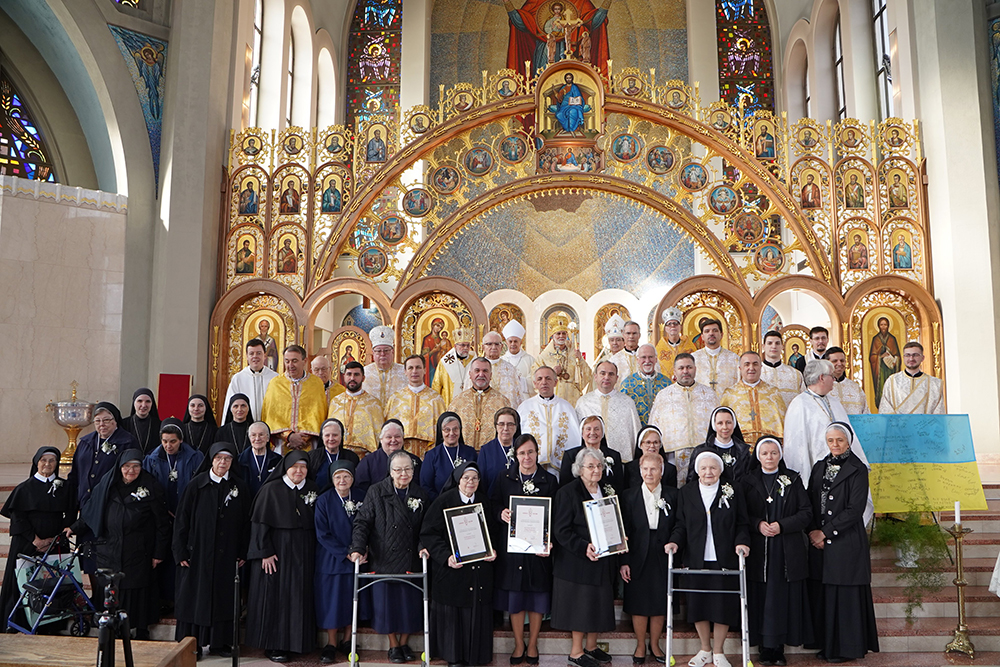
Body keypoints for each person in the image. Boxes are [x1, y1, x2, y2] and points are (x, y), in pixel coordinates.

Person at [68, 449, 170, 639]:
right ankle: (111, 628)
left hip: (138, 549)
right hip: (110, 549)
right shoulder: (108, 484)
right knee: (112, 588)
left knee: (137, 589)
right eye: (127, 466)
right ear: (120, 467)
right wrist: (74, 528)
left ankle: (140, 629)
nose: (131, 470)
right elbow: (92, 510)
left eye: (136, 466)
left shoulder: (151, 486)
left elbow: (162, 524)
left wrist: (158, 552)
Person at [666, 451, 751, 667]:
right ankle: (705, 649)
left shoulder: (733, 490)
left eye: (713, 468)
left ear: (720, 470)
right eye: (703, 468)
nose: (708, 472)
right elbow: (681, 524)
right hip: (696, 557)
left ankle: (719, 652)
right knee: (699, 604)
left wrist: (742, 542)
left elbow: (742, 522)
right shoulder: (686, 492)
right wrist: (674, 542)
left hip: (724, 557)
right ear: (697, 471)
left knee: (722, 604)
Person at [807, 423, 879, 663]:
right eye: (830, 440)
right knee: (826, 595)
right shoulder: (819, 467)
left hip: (846, 540)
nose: (835, 445)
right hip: (820, 541)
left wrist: (825, 533)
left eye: (839, 440)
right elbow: (808, 502)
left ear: (848, 441)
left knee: (845, 597)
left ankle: (846, 648)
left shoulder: (858, 469)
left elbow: (854, 509)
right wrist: (812, 531)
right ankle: (827, 645)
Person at [350, 450, 430, 664]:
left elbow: (427, 527)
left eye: (408, 469)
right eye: (398, 469)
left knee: (409, 603)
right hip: (383, 556)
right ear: (390, 471)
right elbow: (362, 522)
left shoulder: (421, 494)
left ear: (413, 471)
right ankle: (393, 644)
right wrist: (357, 547)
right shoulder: (377, 491)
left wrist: (423, 546)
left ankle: (404, 642)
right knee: (387, 604)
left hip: (410, 556)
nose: (403, 473)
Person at [739, 438, 814, 666]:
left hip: (785, 551)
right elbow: (741, 515)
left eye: (773, 453)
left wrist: (782, 525)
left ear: (779, 455)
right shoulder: (747, 481)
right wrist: (758, 524)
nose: (769, 457)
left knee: (781, 599)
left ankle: (778, 648)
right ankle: (763, 647)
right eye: (765, 453)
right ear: (758, 456)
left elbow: (806, 513)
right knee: (762, 598)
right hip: (759, 551)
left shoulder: (792, 479)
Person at [173, 442, 251, 658]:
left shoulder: (239, 487)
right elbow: (182, 520)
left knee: (223, 599)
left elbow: (246, 523)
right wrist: (180, 552)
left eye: (227, 459)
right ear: (211, 460)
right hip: (196, 554)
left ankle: (220, 643)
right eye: (219, 458)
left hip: (227, 554)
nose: (223, 463)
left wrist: (242, 551)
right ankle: (192, 645)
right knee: (195, 599)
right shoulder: (196, 485)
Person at [245, 451, 319, 662]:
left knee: (299, 596)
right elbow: (259, 524)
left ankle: (298, 642)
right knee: (275, 597)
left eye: (303, 467)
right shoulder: (271, 490)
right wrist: (264, 552)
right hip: (275, 552)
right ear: (285, 467)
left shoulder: (312, 488)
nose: (299, 471)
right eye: (294, 466)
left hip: (303, 552)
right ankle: (274, 645)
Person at [421, 462, 496, 666]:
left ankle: (476, 655)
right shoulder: (444, 501)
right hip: (453, 570)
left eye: (475, 478)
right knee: (454, 613)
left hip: (479, 568)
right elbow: (428, 533)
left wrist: (492, 550)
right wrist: (446, 556)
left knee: (475, 611)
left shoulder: (484, 501)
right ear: (458, 480)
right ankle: (453, 657)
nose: (470, 482)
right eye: (466, 478)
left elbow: (492, 532)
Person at [491, 434, 557, 664]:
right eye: (521, 453)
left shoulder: (549, 480)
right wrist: (501, 513)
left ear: (537, 453)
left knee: (536, 597)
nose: (526, 457)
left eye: (530, 452)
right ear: (515, 455)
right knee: (516, 599)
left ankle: (533, 644)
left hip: (538, 550)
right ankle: (519, 644)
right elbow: (492, 504)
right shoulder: (504, 478)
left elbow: (555, 515)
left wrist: (550, 542)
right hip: (513, 549)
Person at [783, 360, 873, 527]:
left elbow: (849, 436)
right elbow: (795, 448)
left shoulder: (835, 402)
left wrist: (859, 464)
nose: (834, 380)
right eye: (832, 376)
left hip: (844, 474)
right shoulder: (799, 404)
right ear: (822, 378)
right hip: (818, 477)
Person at [552, 447, 617, 667]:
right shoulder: (567, 492)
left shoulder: (607, 491)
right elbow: (561, 530)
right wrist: (583, 547)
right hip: (576, 561)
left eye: (599, 466)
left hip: (602, 559)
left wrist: (619, 538)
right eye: (590, 466)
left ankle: (591, 646)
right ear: (579, 470)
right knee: (580, 607)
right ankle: (576, 651)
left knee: (597, 604)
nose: (596, 470)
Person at [0, 447, 75, 630]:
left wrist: (54, 539)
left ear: (57, 464)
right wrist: (36, 540)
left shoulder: (65, 488)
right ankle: (18, 621)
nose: (47, 464)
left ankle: (52, 621)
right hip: (27, 542)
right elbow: (18, 517)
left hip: (56, 543)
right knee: (23, 583)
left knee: (53, 582)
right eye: (43, 460)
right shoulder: (24, 488)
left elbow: (71, 514)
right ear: (36, 463)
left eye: (52, 461)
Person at [620, 452, 679, 664]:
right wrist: (624, 561)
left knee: (659, 601)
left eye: (654, 469)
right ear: (640, 471)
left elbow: (679, 525)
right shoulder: (628, 496)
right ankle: (639, 645)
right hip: (637, 554)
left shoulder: (673, 495)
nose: (649, 473)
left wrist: (674, 541)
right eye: (645, 469)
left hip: (663, 553)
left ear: (662, 472)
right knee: (638, 602)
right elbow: (623, 529)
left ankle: (655, 644)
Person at [315, 460, 367, 664]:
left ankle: (348, 640)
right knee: (332, 602)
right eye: (338, 477)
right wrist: (346, 553)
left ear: (353, 478)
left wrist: (363, 549)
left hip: (357, 558)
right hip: (332, 559)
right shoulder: (324, 500)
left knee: (351, 600)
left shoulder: (362, 497)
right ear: (332, 479)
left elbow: (369, 524)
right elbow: (322, 533)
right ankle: (331, 643)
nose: (342, 480)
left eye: (346, 476)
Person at [649, 353, 717, 486]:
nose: (685, 371)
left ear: (695, 369)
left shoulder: (709, 394)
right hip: (673, 454)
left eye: (689, 367)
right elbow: (654, 426)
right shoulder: (663, 395)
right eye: (681, 368)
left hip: (703, 451)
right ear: (675, 371)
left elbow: (717, 424)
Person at [69, 402, 141, 511]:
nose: (101, 424)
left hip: (112, 504)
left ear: (115, 421)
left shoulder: (128, 442)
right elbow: (75, 473)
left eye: (106, 420)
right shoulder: (85, 442)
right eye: (97, 421)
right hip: (86, 502)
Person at [262, 345, 329, 452]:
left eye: (294, 361)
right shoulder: (275, 384)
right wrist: (289, 436)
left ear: (304, 361)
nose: (290, 365)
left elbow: (319, 414)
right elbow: (270, 416)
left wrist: (303, 438)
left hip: (310, 443)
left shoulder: (316, 384)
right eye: (287, 361)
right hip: (282, 443)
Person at [518, 366, 582, 475]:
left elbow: (575, 438)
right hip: (532, 467)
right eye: (540, 379)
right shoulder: (525, 407)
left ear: (555, 382)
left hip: (559, 469)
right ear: (535, 383)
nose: (544, 382)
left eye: (548, 378)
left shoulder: (566, 407)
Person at [576, 361, 642, 463]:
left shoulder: (627, 403)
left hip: (621, 461)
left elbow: (635, 433)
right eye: (602, 373)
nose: (606, 377)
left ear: (616, 378)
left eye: (611, 374)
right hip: (588, 462)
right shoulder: (583, 402)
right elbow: (577, 434)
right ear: (595, 377)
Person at [385, 355, 447, 457]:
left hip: (428, 452)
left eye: (418, 367)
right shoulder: (395, 399)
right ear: (405, 371)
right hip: (401, 451)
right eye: (410, 368)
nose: (414, 371)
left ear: (425, 370)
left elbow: (442, 430)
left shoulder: (436, 399)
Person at [720, 351, 787, 444]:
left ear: (761, 367)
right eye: (747, 364)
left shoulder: (773, 393)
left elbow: (783, 426)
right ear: (740, 368)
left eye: (755, 364)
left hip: (768, 449)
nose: (751, 368)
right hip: (739, 447)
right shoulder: (729, 394)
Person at [143, 419, 204, 516]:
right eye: (165, 441)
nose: (168, 446)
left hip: (188, 509)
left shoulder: (195, 457)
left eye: (173, 441)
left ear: (181, 440)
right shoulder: (151, 459)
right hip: (161, 511)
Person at [451, 356, 513, 450]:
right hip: (464, 453)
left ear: (491, 375)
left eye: (485, 371)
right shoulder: (457, 401)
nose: (481, 374)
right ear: (470, 374)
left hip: (492, 453)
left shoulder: (502, 402)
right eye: (477, 370)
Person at [532, 313, 593, 404]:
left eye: (564, 333)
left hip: (572, 396)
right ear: (553, 335)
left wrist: (580, 360)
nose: (561, 336)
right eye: (558, 333)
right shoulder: (544, 356)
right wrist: (552, 373)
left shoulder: (573, 352)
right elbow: (535, 376)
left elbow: (587, 375)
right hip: (553, 395)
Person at [329, 361, 384, 455]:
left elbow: (379, 434)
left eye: (356, 374)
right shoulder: (335, 401)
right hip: (339, 453)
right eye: (349, 374)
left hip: (364, 455)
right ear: (344, 377)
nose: (352, 378)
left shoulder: (374, 403)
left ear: (363, 378)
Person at [560, 416, 625, 495]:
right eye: (588, 429)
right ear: (582, 433)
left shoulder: (614, 455)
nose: (592, 432)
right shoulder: (571, 455)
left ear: (602, 433)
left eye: (597, 429)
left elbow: (619, 485)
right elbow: (564, 485)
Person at [355, 420, 423, 496]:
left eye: (397, 436)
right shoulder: (368, 462)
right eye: (389, 437)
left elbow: (420, 487)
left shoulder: (414, 460)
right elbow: (361, 490)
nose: (393, 440)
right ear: (381, 440)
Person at [420, 412, 478, 500]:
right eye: (447, 429)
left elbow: (478, 480)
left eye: (455, 429)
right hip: (440, 504)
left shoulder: (470, 452)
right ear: (441, 432)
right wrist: (441, 502)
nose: (451, 433)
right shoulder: (432, 455)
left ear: (460, 430)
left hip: (468, 503)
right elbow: (425, 486)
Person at [686, 407, 750, 485]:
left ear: (734, 424)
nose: (725, 427)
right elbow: (692, 482)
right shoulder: (700, 451)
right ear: (714, 425)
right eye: (720, 423)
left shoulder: (743, 451)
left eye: (728, 422)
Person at [878, 341, 945, 414]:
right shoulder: (892, 381)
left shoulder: (935, 384)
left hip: (925, 425)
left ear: (922, 358)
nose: (911, 358)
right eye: (907, 355)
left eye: (915, 355)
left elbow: (938, 414)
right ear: (903, 357)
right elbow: (885, 409)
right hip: (899, 425)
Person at [465, 331, 526, 407]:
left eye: (497, 344)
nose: (493, 347)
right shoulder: (474, 367)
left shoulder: (510, 369)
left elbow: (518, 398)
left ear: (502, 347)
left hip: (505, 414)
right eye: (489, 344)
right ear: (483, 347)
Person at [225, 338, 279, 422]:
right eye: (251, 353)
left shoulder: (275, 378)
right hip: (245, 426)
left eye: (258, 353)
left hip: (270, 425)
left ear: (264, 355)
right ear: (247, 356)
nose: (255, 356)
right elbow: (230, 406)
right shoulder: (238, 378)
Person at [620, 344, 671, 426]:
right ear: (637, 360)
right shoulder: (627, 385)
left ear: (656, 359)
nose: (647, 361)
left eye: (650, 357)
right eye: (643, 357)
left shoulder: (666, 383)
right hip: (637, 432)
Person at [308, 418, 361, 493]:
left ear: (341, 436)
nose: (331, 439)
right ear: (322, 437)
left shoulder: (352, 457)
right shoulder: (312, 456)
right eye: (327, 435)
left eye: (335, 435)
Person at [363, 325, 407, 412]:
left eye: (386, 350)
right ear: (373, 353)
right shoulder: (364, 372)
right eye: (378, 351)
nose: (382, 354)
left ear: (392, 351)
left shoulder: (404, 372)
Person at [691, 319, 739, 397]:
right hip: (701, 404)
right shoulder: (693, 358)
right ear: (702, 336)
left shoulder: (734, 358)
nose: (711, 333)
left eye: (715, 330)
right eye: (707, 331)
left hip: (726, 404)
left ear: (722, 334)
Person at [478, 407, 521, 494]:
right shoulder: (486, 451)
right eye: (501, 424)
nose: (505, 428)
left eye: (510, 424)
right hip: (492, 501)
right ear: (496, 426)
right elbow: (481, 482)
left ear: (516, 427)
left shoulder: (522, 448)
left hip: (517, 502)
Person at [760, 330, 804, 408]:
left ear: (782, 346)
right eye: (770, 343)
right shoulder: (757, 373)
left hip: (790, 418)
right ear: (763, 346)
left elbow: (804, 400)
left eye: (777, 343)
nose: (773, 346)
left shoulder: (795, 374)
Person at [624, 426, 677, 490]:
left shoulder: (670, 469)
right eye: (648, 442)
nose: (652, 446)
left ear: (660, 445)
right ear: (640, 445)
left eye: (655, 442)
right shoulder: (630, 468)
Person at [432, 327, 475, 405]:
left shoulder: (475, 360)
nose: (465, 348)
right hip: (449, 405)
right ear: (455, 346)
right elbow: (436, 386)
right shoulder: (445, 362)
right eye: (462, 345)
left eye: (468, 345)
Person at [239, 421, 282, 497]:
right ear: (249, 438)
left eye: (261, 435)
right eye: (253, 435)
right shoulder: (240, 460)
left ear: (268, 438)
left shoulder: (278, 460)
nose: (257, 438)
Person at [823, 347, 869, 415]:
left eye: (842, 360)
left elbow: (865, 412)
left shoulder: (855, 387)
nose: (839, 363)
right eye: (835, 361)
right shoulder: (822, 387)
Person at [655, 308, 697, 379]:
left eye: (675, 323)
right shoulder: (658, 350)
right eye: (669, 324)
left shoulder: (690, 347)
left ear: (680, 327)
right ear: (665, 328)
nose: (672, 326)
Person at [501, 320, 534, 397]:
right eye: (510, 341)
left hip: (525, 399)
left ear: (520, 342)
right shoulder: (502, 361)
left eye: (515, 341)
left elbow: (536, 380)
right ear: (506, 343)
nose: (513, 344)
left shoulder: (530, 360)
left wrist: (521, 381)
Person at [125, 388, 162, 455]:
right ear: (134, 403)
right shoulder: (124, 424)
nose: (144, 405)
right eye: (140, 401)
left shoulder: (159, 425)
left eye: (148, 401)